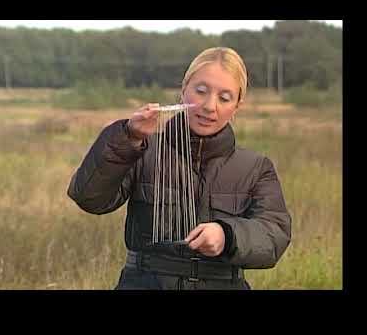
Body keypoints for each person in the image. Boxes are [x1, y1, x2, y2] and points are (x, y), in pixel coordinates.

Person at [67, 47, 291, 290]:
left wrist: (227, 235)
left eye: (224, 98)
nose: (209, 106)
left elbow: (274, 234)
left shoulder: (256, 168)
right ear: (183, 91)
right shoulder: (143, 150)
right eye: (201, 91)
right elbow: (89, 198)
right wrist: (127, 138)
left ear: (237, 106)